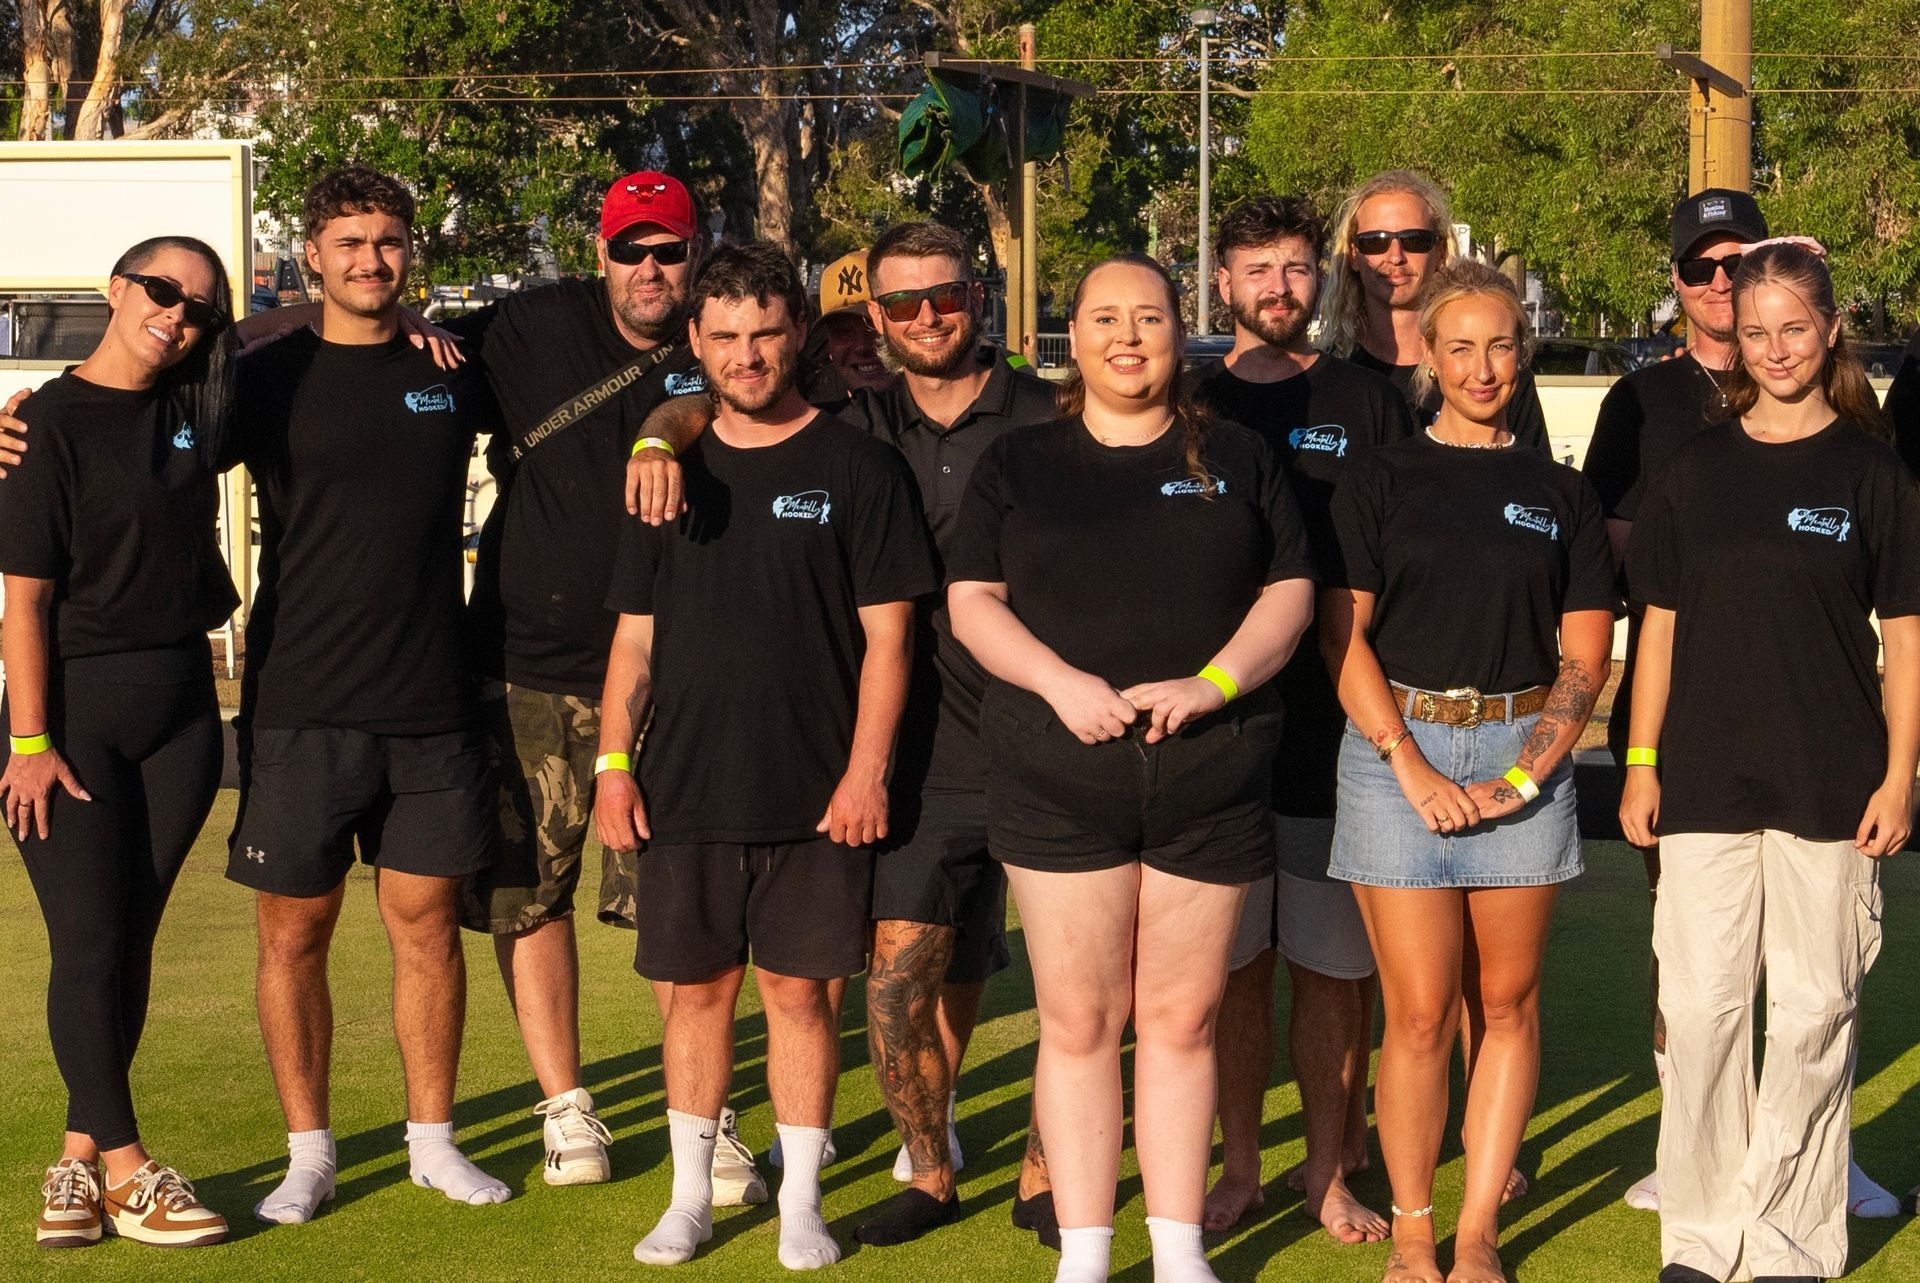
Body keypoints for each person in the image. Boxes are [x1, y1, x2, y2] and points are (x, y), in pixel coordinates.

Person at [229, 171, 761, 1201]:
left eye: (668, 251)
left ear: (695, 256)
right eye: (630, 249)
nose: (649, 269)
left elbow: (754, 392)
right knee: (509, 901)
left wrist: (664, 428)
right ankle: (524, 1116)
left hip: (634, 677)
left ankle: (696, 1118)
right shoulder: (506, 331)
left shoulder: (724, 340)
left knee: (669, 912)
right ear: (599, 253)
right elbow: (161, 427)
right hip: (480, 672)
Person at [622, 222, 1062, 1248]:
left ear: (978, 296)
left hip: (1051, 732)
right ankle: (931, 1166)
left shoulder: (1049, 413)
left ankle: (1046, 1173)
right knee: (904, 982)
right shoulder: (858, 419)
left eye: (942, 298)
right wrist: (654, 434)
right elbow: (714, 402)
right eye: (899, 307)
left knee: (1073, 986)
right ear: (874, 323)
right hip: (921, 751)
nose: (924, 319)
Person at [948, 252, 1316, 1283]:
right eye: (1105, 317)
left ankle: (1179, 1250)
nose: (1127, 336)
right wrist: (1061, 682)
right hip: (1059, 783)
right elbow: (972, 601)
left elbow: (1289, 594)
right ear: (1075, 335)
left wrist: (1216, 682)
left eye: (1148, 316)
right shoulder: (1018, 464)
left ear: (1178, 327)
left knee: (1181, 1019)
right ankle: (1085, 1254)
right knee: (1078, 1022)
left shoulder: (1239, 455)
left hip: (1210, 779)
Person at [594, 242, 936, 1270]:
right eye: (727, 336)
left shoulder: (857, 466)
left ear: (799, 336)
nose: (749, 354)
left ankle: (799, 1206)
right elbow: (633, 642)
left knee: (800, 998)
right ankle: (689, 1196)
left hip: (818, 797)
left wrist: (866, 769)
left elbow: (891, 637)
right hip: (685, 789)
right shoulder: (666, 471)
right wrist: (614, 765)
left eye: (767, 332)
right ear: (694, 342)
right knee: (697, 998)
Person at [1582, 191, 1901, 1221]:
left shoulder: (1872, 469)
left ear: (1831, 329)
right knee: (1705, 1007)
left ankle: (1789, 1234)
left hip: (1831, 776)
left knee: (1813, 1010)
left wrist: (1899, 776)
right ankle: (1705, 1223)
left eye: (1792, 327)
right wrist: (1638, 764)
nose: (1772, 345)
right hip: (1702, 774)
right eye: (1755, 329)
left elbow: (1908, 635)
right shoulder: (1688, 465)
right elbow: (1658, 626)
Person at [1321, 259, 1616, 1283]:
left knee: (1510, 1003)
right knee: (1417, 1011)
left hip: (1521, 755)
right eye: (1461, 346)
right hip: (1393, 751)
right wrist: (1409, 762)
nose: (1482, 366)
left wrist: (1524, 777)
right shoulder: (1378, 479)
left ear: (1520, 350)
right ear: (1429, 358)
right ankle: (1413, 1228)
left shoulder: (1559, 492)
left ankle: (1479, 1227)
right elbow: (1342, 640)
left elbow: (1585, 657)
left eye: (1500, 345)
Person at [226, 167, 509, 1221]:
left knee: (427, 926)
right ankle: (309, 1153)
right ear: (311, 254)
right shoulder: (263, 376)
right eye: (349, 242)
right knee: (292, 933)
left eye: (388, 241)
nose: (371, 261)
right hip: (301, 700)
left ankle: (432, 1140)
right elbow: (135, 434)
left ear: (410, 252)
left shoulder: (454, 367)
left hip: (432, 703)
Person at [0, 236, 238, 1249]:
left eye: (198, 307)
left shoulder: (200, 404)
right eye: (160, 290)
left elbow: (314, 334)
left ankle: (76, 1164)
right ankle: (134, 1169)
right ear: (115, 287)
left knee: (127, 942)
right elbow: (24, 601)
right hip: (73, 719)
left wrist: (406, 320)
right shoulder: (41, 423)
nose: (176, 314)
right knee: (89, 941)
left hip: (184, 708)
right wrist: (31, 741)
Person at [1190, 194, 1413, 1241]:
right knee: (1236, 972)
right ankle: (1238, 1166)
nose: (1279, 289)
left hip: (1338, 734)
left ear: (1318, 280)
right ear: (1222, 282)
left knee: (1332, 970)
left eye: (1294, 268)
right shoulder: (1187, 399)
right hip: (1217, 735)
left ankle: (1328, 1172)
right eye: (1257, 270)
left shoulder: (1368, 402)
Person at [1321, 170, 1549, 454]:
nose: (1395, 257)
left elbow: (1538, 484)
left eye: (1414, 240)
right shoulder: (1328, 372)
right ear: (1354, 253)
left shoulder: (1494, 376)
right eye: (1375, 241)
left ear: (1440, 251)